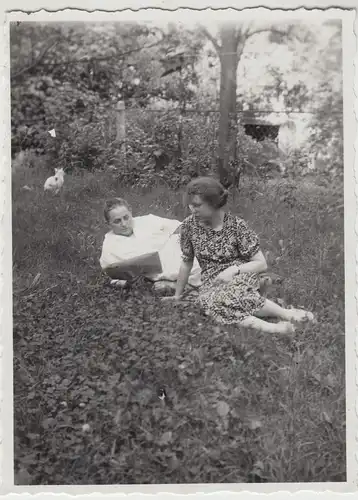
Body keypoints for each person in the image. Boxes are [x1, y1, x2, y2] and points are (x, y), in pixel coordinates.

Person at [165, 177, 314, 335]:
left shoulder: (237, 226)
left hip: (241, 274)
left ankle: (285, 315)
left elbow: (261, 263)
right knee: (208, 303)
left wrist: (233, 271)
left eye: (197, 205)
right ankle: (275, 328)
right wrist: (177, 295)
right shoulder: (189, 226)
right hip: (212, 281)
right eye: (190, 205)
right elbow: (187, 261)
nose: (192, 209)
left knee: (231, 294)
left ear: (214, 203)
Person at [99, 197, 201, 291]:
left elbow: (179, 226)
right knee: (190, 268)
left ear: (130, 213)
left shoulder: (147, 220)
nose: (124, 224)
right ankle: (181, 284)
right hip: (159, 269)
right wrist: (128, 283)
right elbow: (114, 277)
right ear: (108, 224)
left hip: (175, 249)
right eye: (117, 221)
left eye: (126, 217)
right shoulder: (110, 247)